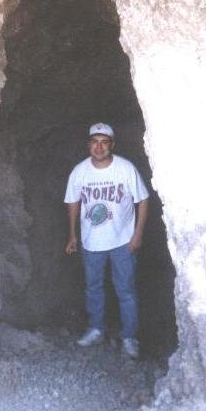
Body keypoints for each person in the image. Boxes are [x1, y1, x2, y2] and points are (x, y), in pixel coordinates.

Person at [64, 123, 149, 358]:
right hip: (92, 243)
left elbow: (142, 200)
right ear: (88, 145)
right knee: (93, 288)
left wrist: (138, 234)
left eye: (104, 142)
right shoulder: (79, 171)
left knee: (126, 291)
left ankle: (129, 338)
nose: (99, 147)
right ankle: (96, 329)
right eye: (94, 142)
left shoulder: (125, 168)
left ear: (112, 144)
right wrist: (72, 235)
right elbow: (73, 203)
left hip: (123, 241)